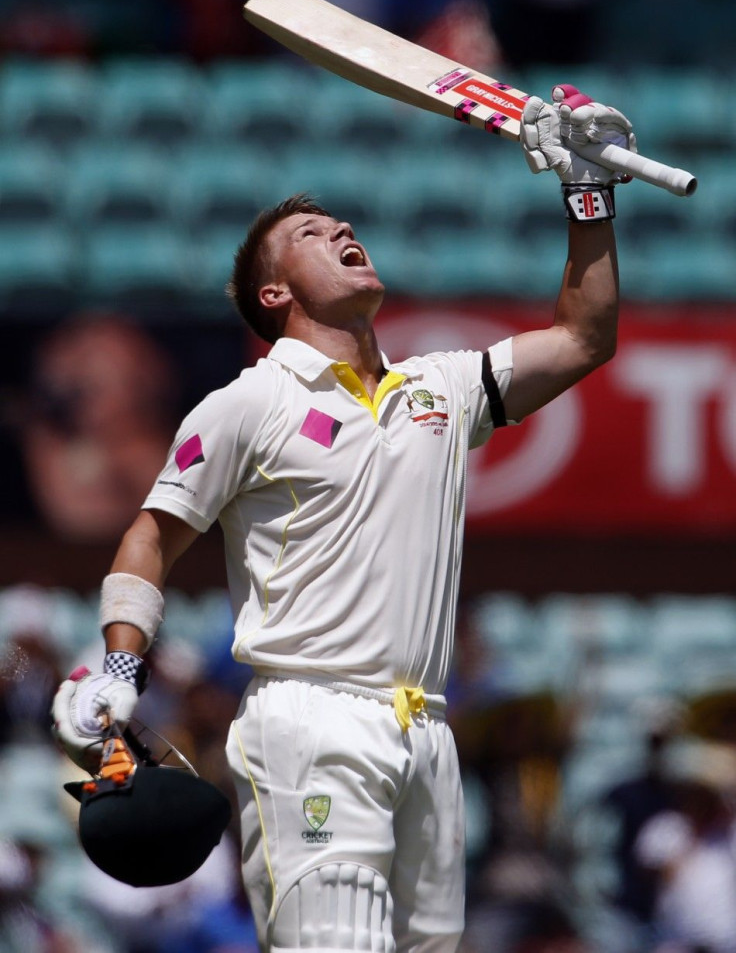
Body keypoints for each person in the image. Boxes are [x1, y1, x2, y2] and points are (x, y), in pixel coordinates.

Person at [52, 84, 634, 953]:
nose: (340, 230)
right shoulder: (246, 403)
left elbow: (585, 336)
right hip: (311, 722)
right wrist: (119, 662)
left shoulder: (441, 385)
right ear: (276, 291)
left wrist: (586, 195)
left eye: (341, 224)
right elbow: (152, 533)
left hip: (427, 732)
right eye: (311, 235)